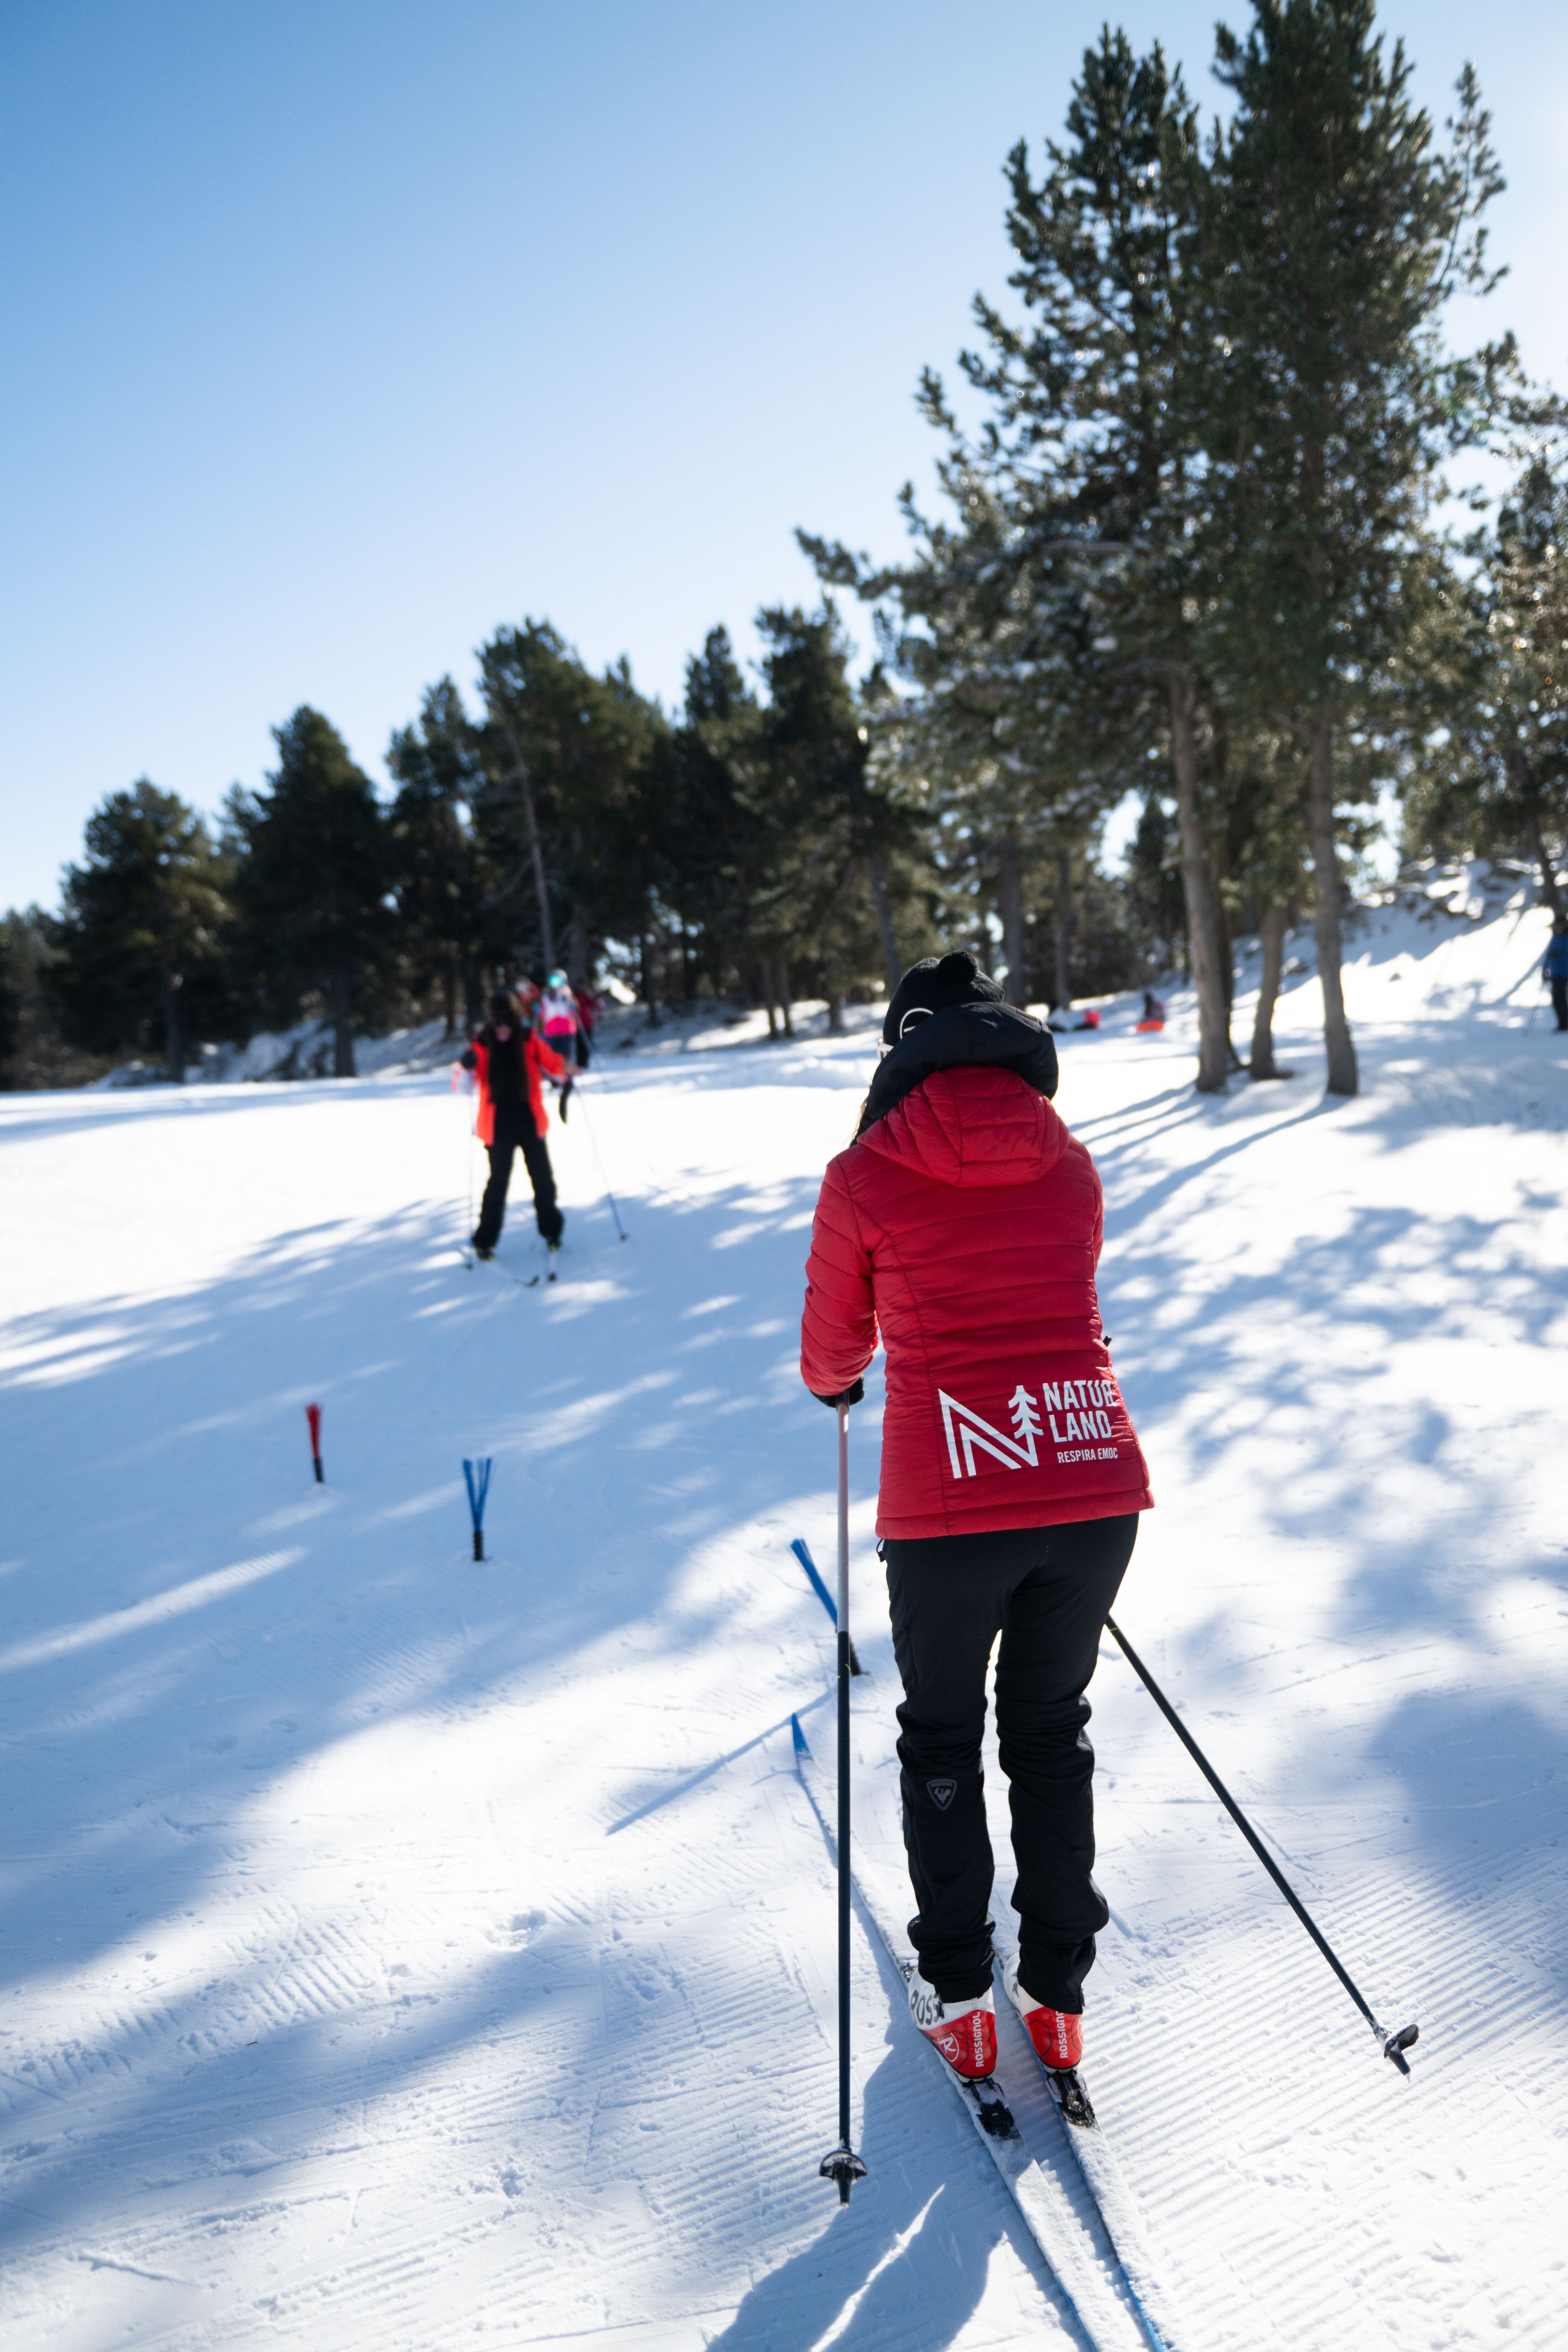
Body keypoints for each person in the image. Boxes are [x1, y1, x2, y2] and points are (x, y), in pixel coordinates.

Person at [799, 950, 1153, 2085]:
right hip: (1089, 1475)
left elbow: (828, 1353)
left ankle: (957, 1986)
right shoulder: (1071, 1160)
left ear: (900, 1050)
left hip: (953, 1499)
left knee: (944, 1735)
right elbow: (1064, 1301)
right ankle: (1054, 1988)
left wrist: (841, 1380)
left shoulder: (864, 1168)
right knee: (1048, 1729)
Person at [459, 989, 569, 1259]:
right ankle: (485, 1241)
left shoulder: (529, 1039)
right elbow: (463, 1086)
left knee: (543, 1179)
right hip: (497, 1126)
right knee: (498, 1183)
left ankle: (552, 1231)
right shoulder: (481, 1044)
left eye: (507, 1019)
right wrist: (467, 1067)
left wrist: (570, 1069)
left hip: (529, 1121)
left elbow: (553, 1064)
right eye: (498, 1020)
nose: (503, 1026)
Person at [1544, 915, 1568, 1032]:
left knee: (1561, 1000)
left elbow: (1565, 957)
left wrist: (1558, 957)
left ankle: (1564, 1025)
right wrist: (1545, 970)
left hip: (1564, 974)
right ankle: (1563, 1024)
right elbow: (1549, 956)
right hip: (1555, 974)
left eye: (1561, 926)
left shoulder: (1566, 939)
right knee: (1556, 1001)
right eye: (1557, 926)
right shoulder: (1555, 938)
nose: (1559, 928)